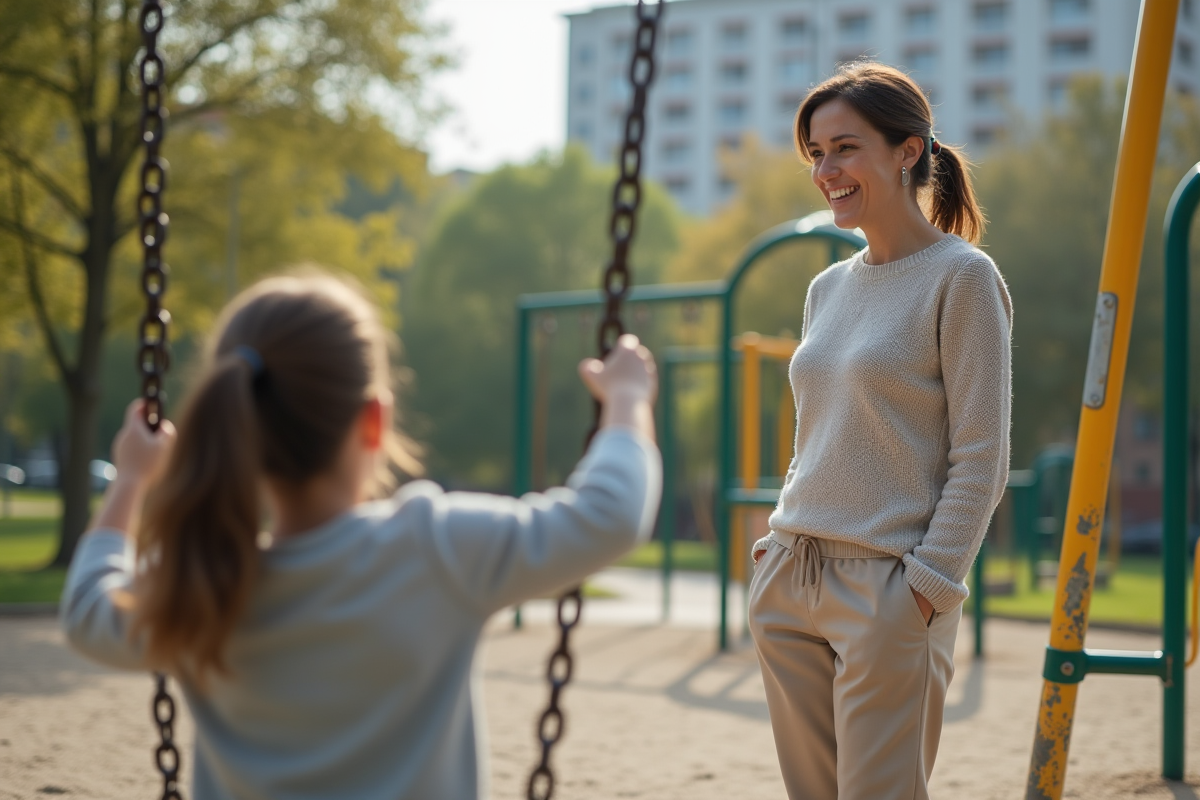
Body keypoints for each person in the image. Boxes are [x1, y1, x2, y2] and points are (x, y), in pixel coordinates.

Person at [59, 274, 661, 799]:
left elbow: (88, 609)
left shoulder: (201, 588)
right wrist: (628, 399)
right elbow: (609, 515)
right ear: (376, 420)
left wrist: (131, 480)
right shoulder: (435, 551)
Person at [747, 62, 1011, 800]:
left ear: (907, 151)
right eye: (816, 154)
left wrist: (925, 588)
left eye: (844, 148)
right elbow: (818, 431)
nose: (825, 171)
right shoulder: (826, 287)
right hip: (789, 573)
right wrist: (774, 546)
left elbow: (982, 456)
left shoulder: (963, 277)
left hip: (890, 585)